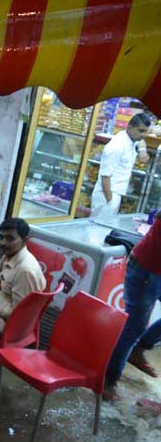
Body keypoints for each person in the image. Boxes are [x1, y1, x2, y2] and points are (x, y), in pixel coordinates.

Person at [102, 218, 160, 402]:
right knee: (134, 327)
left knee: (136, 329)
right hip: (148, 268)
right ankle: (108, 381)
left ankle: (140, 348)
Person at [90, 112, 153, 216]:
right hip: (107, 195)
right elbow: (105, 176)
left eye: (145, 131)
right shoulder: (117, 146)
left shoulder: (130, 139)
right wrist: (110, 201)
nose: (143, 135)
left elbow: (141, 142)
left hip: (115, 194)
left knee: (104, 230)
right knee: (97, 231)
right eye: (140, 131)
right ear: (129, 127)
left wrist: (143, 150)